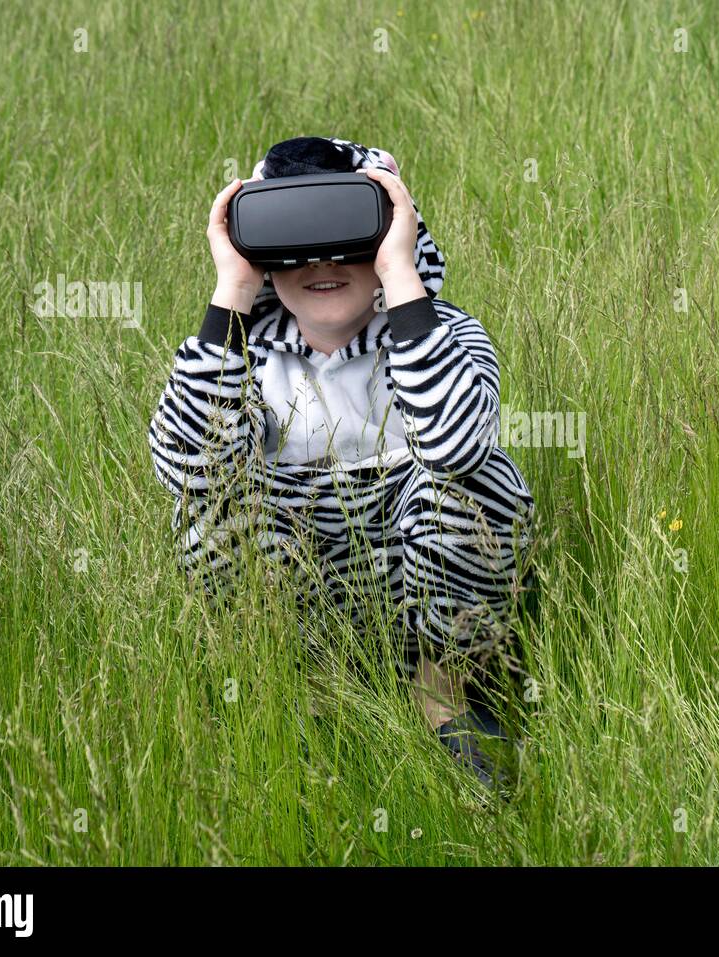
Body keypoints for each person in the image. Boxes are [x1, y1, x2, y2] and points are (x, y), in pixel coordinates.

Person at [148, 136, 535, 788]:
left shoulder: (443, 333)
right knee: (210, 507)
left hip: (422, 606)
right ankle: (308, 702)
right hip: (298, 611)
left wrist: (401, 276)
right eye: (293, 239)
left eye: (348, 236)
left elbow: (459, 446)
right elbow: (189, 470)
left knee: (481, 480)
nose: (322, 260)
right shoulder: (245, 353)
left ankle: (446, 695)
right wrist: (232, 291)